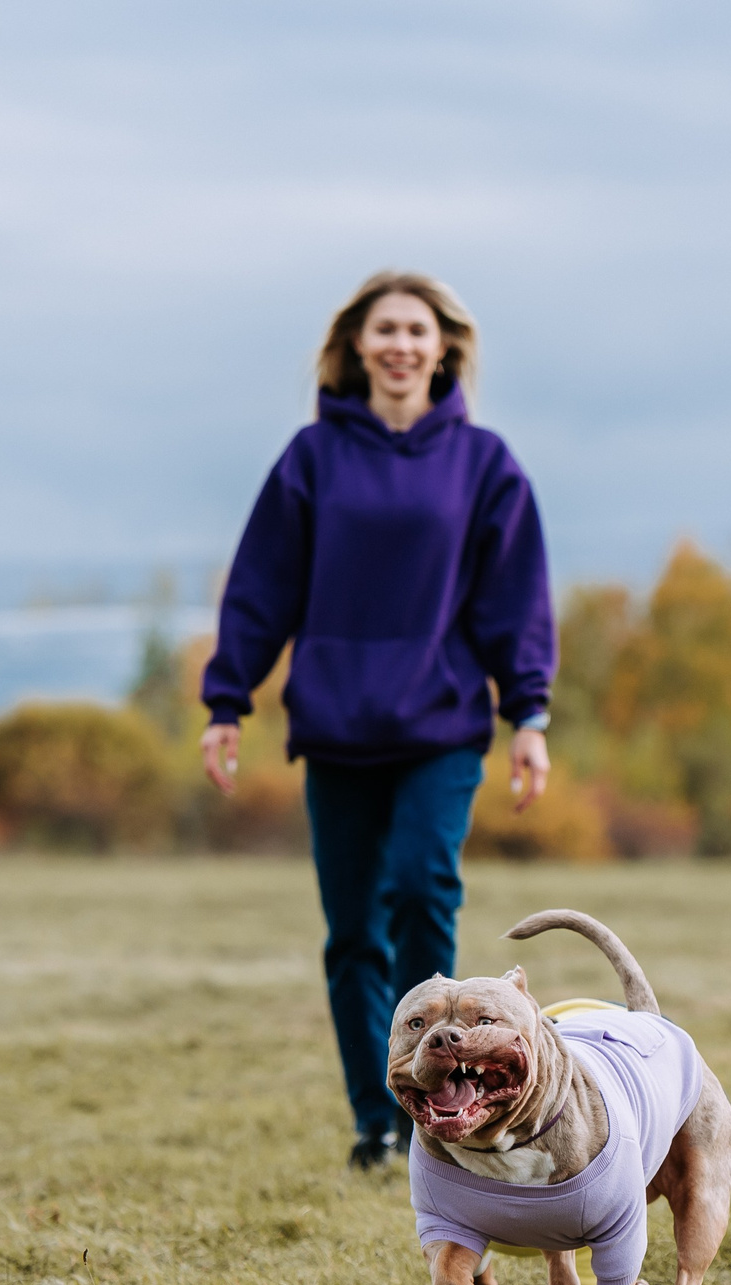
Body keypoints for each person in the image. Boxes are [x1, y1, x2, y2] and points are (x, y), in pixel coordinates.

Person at [200, 271, 555, 1171]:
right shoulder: (313, 458)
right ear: (357, 346)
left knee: (419, 885)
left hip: (439, 723)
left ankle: (444, 1092)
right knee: (354, 927)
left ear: (444, 350)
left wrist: (528, 712)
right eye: (384, 329)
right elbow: (261, 587)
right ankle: (379, 1120)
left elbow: (514, 600)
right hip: (337, 723)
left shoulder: (484, 465)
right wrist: (227, 700)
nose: (400, 344)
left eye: (417, 330)